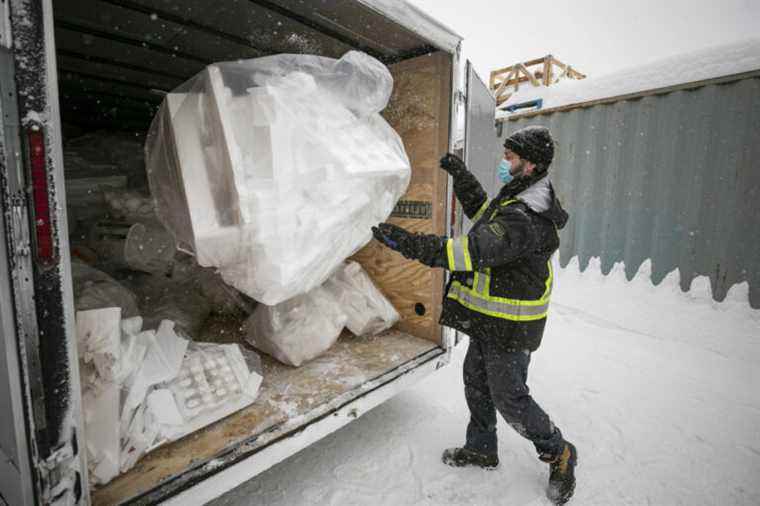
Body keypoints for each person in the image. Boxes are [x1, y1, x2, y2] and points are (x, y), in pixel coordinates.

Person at [372, 126, 577, 504]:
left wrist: (408, 243)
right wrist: (463, 178)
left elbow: (468, 251)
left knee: (510, 397)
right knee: (476, 383)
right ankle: (482, 448)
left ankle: (558, 450)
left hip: (511, 325)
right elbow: (486, 216)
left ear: (529, 165)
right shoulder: (519, 197)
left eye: (511, 158)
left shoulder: (527, 217)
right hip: (492, 318)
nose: (505, 163)